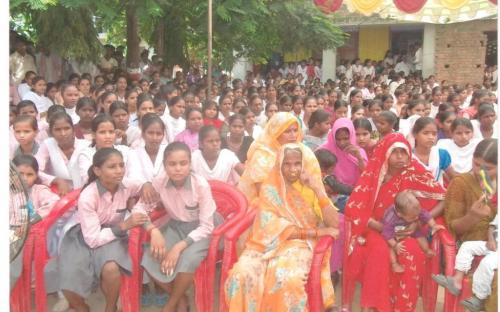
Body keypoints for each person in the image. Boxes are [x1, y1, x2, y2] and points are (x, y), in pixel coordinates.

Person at [225, 143, 339, 311]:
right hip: (267, 243)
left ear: (304, 164)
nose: (292, 169)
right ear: (279, 164)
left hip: (301, 245)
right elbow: (270, 226)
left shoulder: (311, 187)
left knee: (286, 278)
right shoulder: (270, 189)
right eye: (287, 164)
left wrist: (317, 188)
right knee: (241, 273)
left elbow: (334, 224)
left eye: (297, 164)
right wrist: (320, 232)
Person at [343, 133, 446, 312]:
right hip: (375, 228)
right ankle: (376, 306)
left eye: (404, 152)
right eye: (395, 152)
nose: (400, 157)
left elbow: (443, 198)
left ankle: (402, 307)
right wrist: (384, 228)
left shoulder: (414, 172)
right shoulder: (374, 174)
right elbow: (354, 208)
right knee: (380, 252)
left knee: (412, 251)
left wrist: (417, 223)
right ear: (385, 153)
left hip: (407, 229)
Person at [58, 148, 149, 312]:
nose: (119, 170)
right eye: (112, 166)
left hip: (113, 234)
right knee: (67, 275)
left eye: (122, 165)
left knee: (111, 268)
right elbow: (92, 239)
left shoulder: (126, 185)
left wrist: (147, 185)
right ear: (97, 170)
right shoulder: (88, 196)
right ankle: (81, 307)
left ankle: (110, 306)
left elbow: (143, 186)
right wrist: (124, 225)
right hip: (83, 234)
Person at [135, 142, 222, 312]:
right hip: (176, 226)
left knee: (187, 259)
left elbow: (206, 226)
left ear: (190, 164)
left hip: (204, 229)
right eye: (172, 164)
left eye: (183, 163)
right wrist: (153, 231)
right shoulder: (160, 181)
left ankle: (170, 305)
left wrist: (178, 247)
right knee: (149, 256)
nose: (178, 168)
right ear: (165, 166)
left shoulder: (200, 185)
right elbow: (139, 208)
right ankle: (180, 298)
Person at [443, 138, 497, 311]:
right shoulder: (461, 183)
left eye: (488, 168)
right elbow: (454, 227)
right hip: (471, 247)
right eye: (476, 164)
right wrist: (473, 216)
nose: (480, 171)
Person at [11, 155, 60, 289]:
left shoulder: (39, 190)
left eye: (29, 174)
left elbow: (54, 202)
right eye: (20, 173)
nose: (24, 178)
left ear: (36, 175)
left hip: (28, 238)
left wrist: (33, 219)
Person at [433, 213, 497, 311]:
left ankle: (478, 299)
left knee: (486, 263)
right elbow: (492, 226)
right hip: (494, 244)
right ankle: (456, 282)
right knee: (466, 246)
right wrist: (491, 239)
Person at [382, 191, 445, 273]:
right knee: (389, 247)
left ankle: (426, 250)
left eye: (417, 215)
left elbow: (426, 215)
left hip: (409, 226)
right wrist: (395, 245)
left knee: (420, 235)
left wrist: (433, 225)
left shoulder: (414, 210)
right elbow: (387, 234)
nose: (416, 218)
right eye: (413, 217)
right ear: (400, 214)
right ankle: (394, 264)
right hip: (394, 233)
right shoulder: (390, 218)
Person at [35, 112, 90, 195]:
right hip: (58, 194)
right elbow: (35, 170)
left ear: (73, 130)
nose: (63, 133)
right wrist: (56, 180)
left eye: (67, 128)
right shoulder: (48, 144)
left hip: (85, 193)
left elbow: (90, 175)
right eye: (57, 130)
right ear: (51, 132)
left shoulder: (86, 145)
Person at [75, 114, 132, 188]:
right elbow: (88, 180)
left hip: (126, 192)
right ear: (93, 135)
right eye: (102, 132)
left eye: (111, 132)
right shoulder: (86, 155)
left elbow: (133, 176)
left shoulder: (126, 151)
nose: (108, 136)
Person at [319, 117, 367, 188]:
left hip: (354, 191)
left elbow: (367, 173)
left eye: (346, 138)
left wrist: (359, 158)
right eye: (338, 139)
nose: (342, 143)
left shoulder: (358, 151)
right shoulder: (324, 150)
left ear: (351, 135)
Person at [411, 117, 456, 185]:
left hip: (438, 194)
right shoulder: (408, 155)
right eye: (425, 133)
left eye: (434, 134)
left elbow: (453, 177)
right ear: (415, 134)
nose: (431, 137)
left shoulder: (441, 154)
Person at [129, 113, 167, 185]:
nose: (154, 138)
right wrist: (144, 185)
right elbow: (132, 178)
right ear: (143, 134)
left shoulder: (169, 153)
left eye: (158, 134)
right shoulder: (133, 154)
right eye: (150, 133)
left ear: (163, 136)